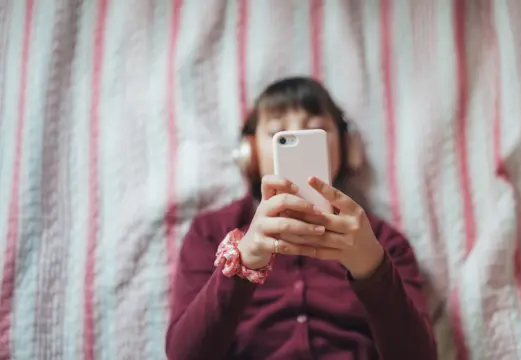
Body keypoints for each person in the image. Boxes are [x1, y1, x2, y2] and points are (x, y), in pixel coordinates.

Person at [165, 77, 437, 359]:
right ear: (248, 153)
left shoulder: (383, 242)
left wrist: (371, 268)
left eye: (315, 131)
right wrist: (242, 263)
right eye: (278, 134)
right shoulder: (210, 233)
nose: (297, 139)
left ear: (346, 147)